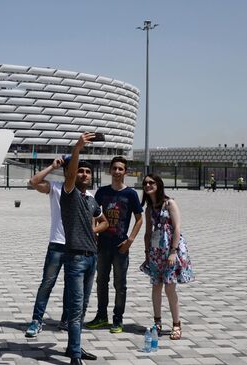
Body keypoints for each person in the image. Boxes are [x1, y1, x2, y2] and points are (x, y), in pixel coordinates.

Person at [60, 132, 109, 365]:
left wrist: (93, 231)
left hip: (91, 258)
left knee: (83, 306)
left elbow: (105, 221)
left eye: (88, 172)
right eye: (81, 170)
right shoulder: (68, 193)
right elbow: (70, 174)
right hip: (75, 259)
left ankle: (73, 348)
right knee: (76, 307)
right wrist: (77, 148)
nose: (84, 174)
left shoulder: (90, 199)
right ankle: (76, 356)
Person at [85, 156, 143, 334]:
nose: (117, 172)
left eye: (121, 169)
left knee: (120, 284)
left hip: (120, 247)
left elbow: (139, 219)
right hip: (102, 246)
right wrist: (94, 234)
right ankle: (102, 316)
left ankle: (118, 320)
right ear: (109, 171)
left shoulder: (130, 194)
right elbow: (94, 215)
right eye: (115, 168)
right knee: (101, 282)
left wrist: (130, 241)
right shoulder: (101, 192)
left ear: (125, 172)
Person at [25, 156, 80, 337]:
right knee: (47, 284)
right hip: (57, 243)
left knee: (71, 287)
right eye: (70, 169)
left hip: (76, 246)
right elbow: (33, 182)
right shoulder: (55, 188)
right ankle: (36, 320)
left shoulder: (84, 192)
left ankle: (65, 320)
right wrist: (51, 166)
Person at [140, 173, 194, 340]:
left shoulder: (169, 203)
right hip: (155, 252)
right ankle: (157, 322)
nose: (148, 185)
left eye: (151, 182)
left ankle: (176, 324)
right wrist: (147, 253)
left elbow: (177, 228)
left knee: (170, 287)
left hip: (170, 250)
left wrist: (173, 251)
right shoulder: (149, 208)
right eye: (145, 183)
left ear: (158, 184)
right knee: (156, 286)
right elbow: (148, 233)